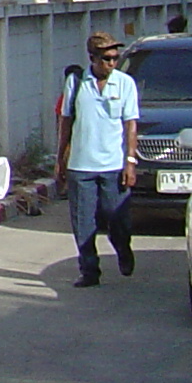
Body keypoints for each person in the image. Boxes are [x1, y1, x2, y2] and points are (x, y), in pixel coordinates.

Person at [55, 31, 139, 286]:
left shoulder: (125, 83)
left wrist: (130, 161)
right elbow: (66, 121)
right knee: (83, 222)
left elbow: (130, 125)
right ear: (92, 58)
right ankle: (89, 270)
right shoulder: (77, 82)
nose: (111, 63)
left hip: (113, 165)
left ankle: (123, 250)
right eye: (106, 59)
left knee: (117, 217)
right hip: (81, 166)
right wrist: (60, 159)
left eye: (115, 58)